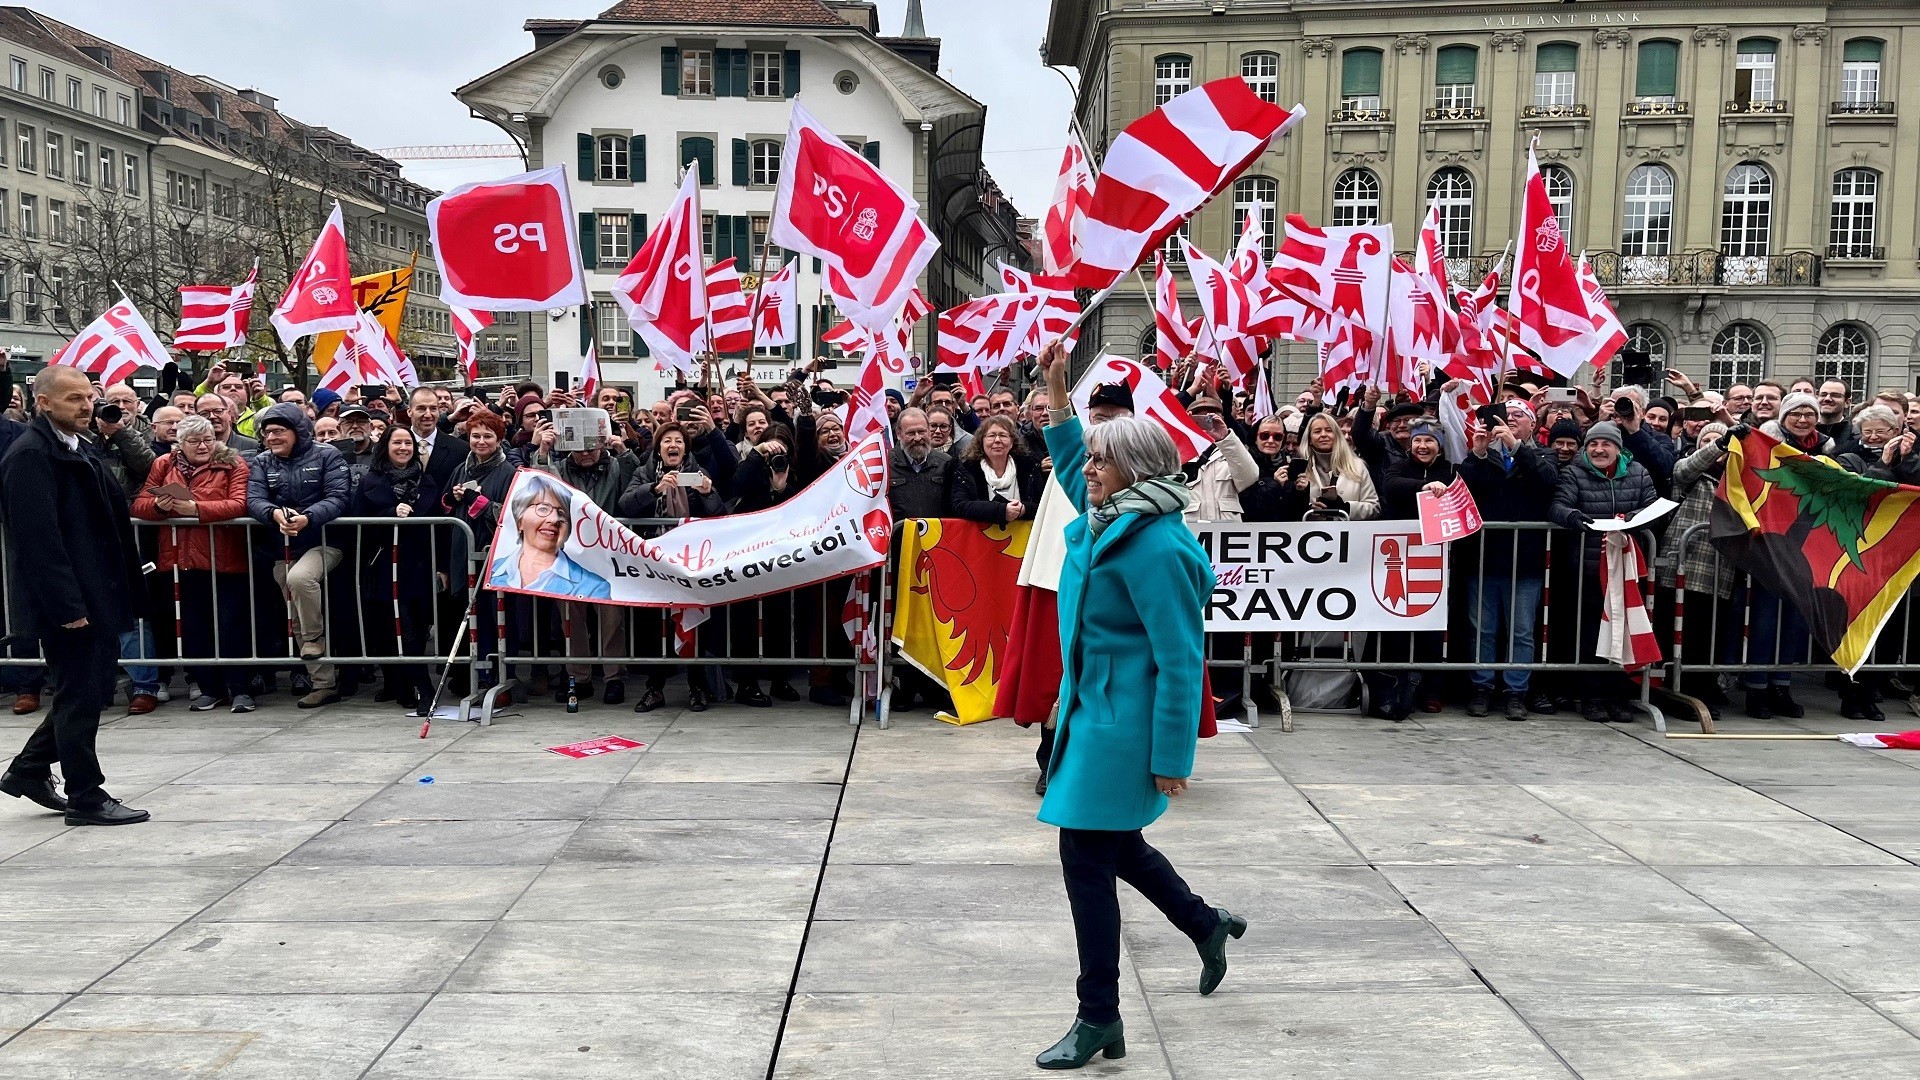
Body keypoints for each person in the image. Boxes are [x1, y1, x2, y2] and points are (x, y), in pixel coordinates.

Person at [1029, 342, 1243, 1070]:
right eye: (1088, 460)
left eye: (1099, 461)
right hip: (1090, 716)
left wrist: (1171, 758)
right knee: (1115, 848)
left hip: (1121, 730)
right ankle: (1204, 923)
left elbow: (1183, 661)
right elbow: (1065, 465)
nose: (1085, 470)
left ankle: (1099, 1019)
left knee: (1084, 859)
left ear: (1136, 470)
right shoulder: (1109, 516)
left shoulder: (1157, 546)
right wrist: (1058, 395)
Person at [0, 366, 150, 826]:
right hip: (71, 602)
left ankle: (27, 770)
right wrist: (68, 609)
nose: (86, 406)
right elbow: (38, 542)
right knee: (82, 694)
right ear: (41, 402)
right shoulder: (29, 455)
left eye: (88, 396)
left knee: (85, 691)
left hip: (98, 591)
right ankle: (86, 794)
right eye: (73, 399)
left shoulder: (79, 446)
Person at [131, 416, 256, 713]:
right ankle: (210, 689)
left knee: (231, 626)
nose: (203, 446)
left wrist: (195, 508)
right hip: (180, 560)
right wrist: (158, 507)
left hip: (224, 558)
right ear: (180, 444)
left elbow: (240, 504)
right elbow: (139, 504)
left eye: (208, 439)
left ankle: (241, 688)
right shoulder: (164, 464)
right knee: (193, 627)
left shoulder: (233, 463)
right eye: (194, 441)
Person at [1548, 420, 1661, 723]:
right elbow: (1557, 506)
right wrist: (1574, 517)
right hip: (1586, 568)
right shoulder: (1573, 471)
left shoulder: (1638, 472)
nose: (1599, 450)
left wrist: (1631, 520)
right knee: (1590, 633)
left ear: (1618, 448)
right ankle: (1591, 696)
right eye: (1593, 445)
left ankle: (1618, 696)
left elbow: (1652, 507)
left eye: (1606, 444)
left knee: (1622, 631)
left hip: (1625, 568)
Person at [247, 403, 352, 708]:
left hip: (324, 541)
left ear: (297, 431)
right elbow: (254, 498)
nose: (272, 437)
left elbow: (338, 497)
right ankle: (323, 683)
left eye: (279, 431)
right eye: (267, 432)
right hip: (282, 546)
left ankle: (314, 639)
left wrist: (308, 517)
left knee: (300, 578)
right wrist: (273, 514)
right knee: (293, 608)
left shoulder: (327, 455)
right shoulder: (262, 461)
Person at [618, 422, 728, 711]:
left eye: (678, 441)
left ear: (685, 448)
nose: (673, 445)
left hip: (690, 564)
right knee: (656, 629)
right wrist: (654, 490)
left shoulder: (699, 473)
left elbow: (719, 513)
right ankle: (654, 688)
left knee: (694, 624)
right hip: (654, 563)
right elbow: (625, 505)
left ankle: (697, 687)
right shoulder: (643, 472)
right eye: (667, 440)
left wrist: (707, 493)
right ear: (659, 448)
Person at [531, 420, 635, 705]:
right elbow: (542, 485)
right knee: (571, 618)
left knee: (611, 619)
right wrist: (542, 452)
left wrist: (623, 451)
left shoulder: (614, 465)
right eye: (578, 448)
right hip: (568, 553)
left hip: (607, 554)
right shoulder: (562, 468)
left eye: (591, 447)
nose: (586, 453)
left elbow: (631, 483)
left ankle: (613, 677)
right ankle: (579, 676)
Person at [351, 426, 444, 711]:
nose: (403, 447)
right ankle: (423, 690)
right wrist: (391, 513)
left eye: (408, 443)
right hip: (385, 567)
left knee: (417, 627)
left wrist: (441, 567)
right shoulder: (370, 481)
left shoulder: (426, 481)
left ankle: (404, 686)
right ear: (386, 446)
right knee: (400, 630)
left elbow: (440, 528)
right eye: (397, 442)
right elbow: (357, 520)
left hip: (419, 567)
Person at [488, 472, 611, 599]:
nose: (553, 519)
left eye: (561, 513)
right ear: (520, 521)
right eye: (543, 509)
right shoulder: (491, 572)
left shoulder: (594, 587)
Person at [949, 415, 1043, 523]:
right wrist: (1001, 511)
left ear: (1012, 442)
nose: (997, 440)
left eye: (1003, 435)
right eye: (991, 436)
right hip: (979, 536)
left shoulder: (1029, 467)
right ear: (981, 441)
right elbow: (959, 505)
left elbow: (1043, 505)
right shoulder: (966, 469)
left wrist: (1024, 509)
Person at [887, 408, 954, 520]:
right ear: (898, 434)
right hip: (899, 535)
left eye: (921, 432)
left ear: (928, 431)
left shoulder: (946, 463)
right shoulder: (885, 464)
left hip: (938, 535)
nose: (918, 438)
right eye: (911, 433)